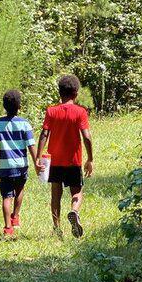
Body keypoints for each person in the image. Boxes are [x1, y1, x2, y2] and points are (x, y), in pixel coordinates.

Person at [36, 74, 93, 239]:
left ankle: (57, 228)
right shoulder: (80, 112)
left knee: (56, 194)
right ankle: (74, 211)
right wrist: (90, 159)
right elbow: (87, 137)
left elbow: (44, 134)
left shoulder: (51, 111)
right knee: (77, 192)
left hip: (55, 161)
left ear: (59, 93)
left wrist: (39, 157)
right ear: (76, 93)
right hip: (74, 161)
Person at [0, 90, 39, 238]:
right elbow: (31, 145)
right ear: (19, 106)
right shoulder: (24, 123)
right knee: (20, 189)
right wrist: (36, 162)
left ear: (4, 106)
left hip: (5, 166)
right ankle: (15, 216)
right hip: (21, 165)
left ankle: (7, 228)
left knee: (6, 197)